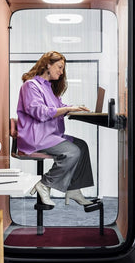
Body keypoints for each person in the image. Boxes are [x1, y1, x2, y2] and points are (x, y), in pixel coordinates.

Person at [16, 51, 94, 207]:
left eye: (62, 69)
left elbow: (58, 107)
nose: (61, 71)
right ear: (47, 65)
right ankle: (44, 183)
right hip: (36, 137)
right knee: (72, 151)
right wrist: (67, 109)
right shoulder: (30, 86)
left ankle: (73, 188)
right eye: (59, 67)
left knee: (82, 146)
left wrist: (74, 108)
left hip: (50, 135)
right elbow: (40, 112)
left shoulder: (50, 88)